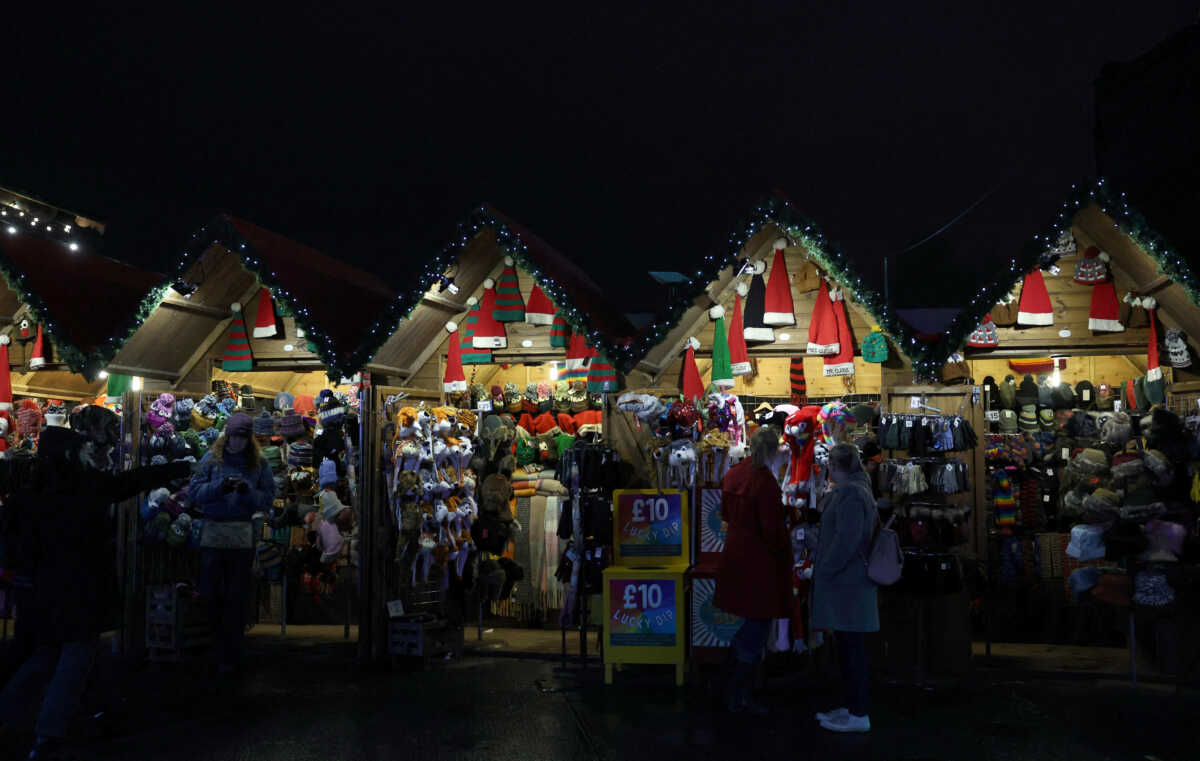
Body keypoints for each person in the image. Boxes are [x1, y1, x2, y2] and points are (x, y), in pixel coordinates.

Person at [0, 425, 189, 759]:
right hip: (79, 589)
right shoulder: (83, 486)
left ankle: (15, 717)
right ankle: (48, 734)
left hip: (41, 592)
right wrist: (179, 467)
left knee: (47, 655)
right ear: (70, 454)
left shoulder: (28, 495)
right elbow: (129, 482)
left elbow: (13, 546)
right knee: (74, 656)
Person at [713, 426, 792, 714]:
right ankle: (739, 695)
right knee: (756, 628)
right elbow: (773, 532)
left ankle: (726, 687)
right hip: (759, 562)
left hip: (735, 555)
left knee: (748, 625)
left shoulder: (734, 474)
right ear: (772, 451)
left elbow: (723, 514)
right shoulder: (766, 484)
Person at [189, 413, 275, 676]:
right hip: (214, 533)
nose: (237, 442)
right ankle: (215, 649)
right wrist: (220, 488)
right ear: (227, 435)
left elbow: (268, 499)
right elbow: (194, 493)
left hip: (240, 536)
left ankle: (231, 652)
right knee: (212, 594)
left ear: (249, 438)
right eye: (234, 436)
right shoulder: (211, 460)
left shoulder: (259, 464)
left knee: (237, 596)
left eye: (242, 437)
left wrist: (248, 492)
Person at [811, 442, 879, 733]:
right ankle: (852, 707)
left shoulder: (851, 494)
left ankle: (858, 713)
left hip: (848, 584)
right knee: (849, 648)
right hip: (848, 584)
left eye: (830, 467)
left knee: (853, 651)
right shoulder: (855, 489)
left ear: (837, 467)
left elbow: (846, 540)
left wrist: (824, 567)